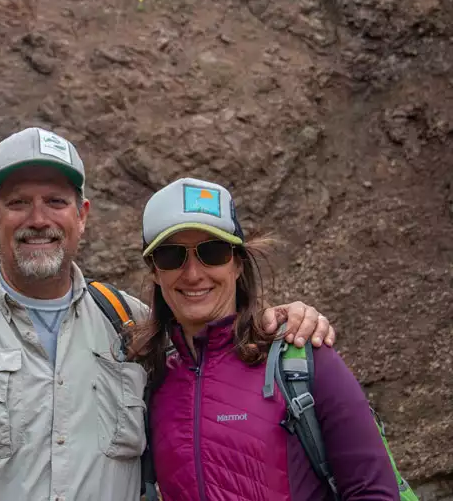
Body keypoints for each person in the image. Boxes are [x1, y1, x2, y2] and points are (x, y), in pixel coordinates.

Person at [0, 128, 335, 501]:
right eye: (19, 203)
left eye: (55, 202)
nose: (38, 219)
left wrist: (283, 319)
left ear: (82, 214)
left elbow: (218, 339)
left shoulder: (134, 325)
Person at [130, 176, 398, 500]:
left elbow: (373, 491)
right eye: (172, 256)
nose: (193, 273)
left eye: (212, 252)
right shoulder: (149, 378)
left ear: (238, 264)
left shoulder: (303, 358)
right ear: (155, 271)